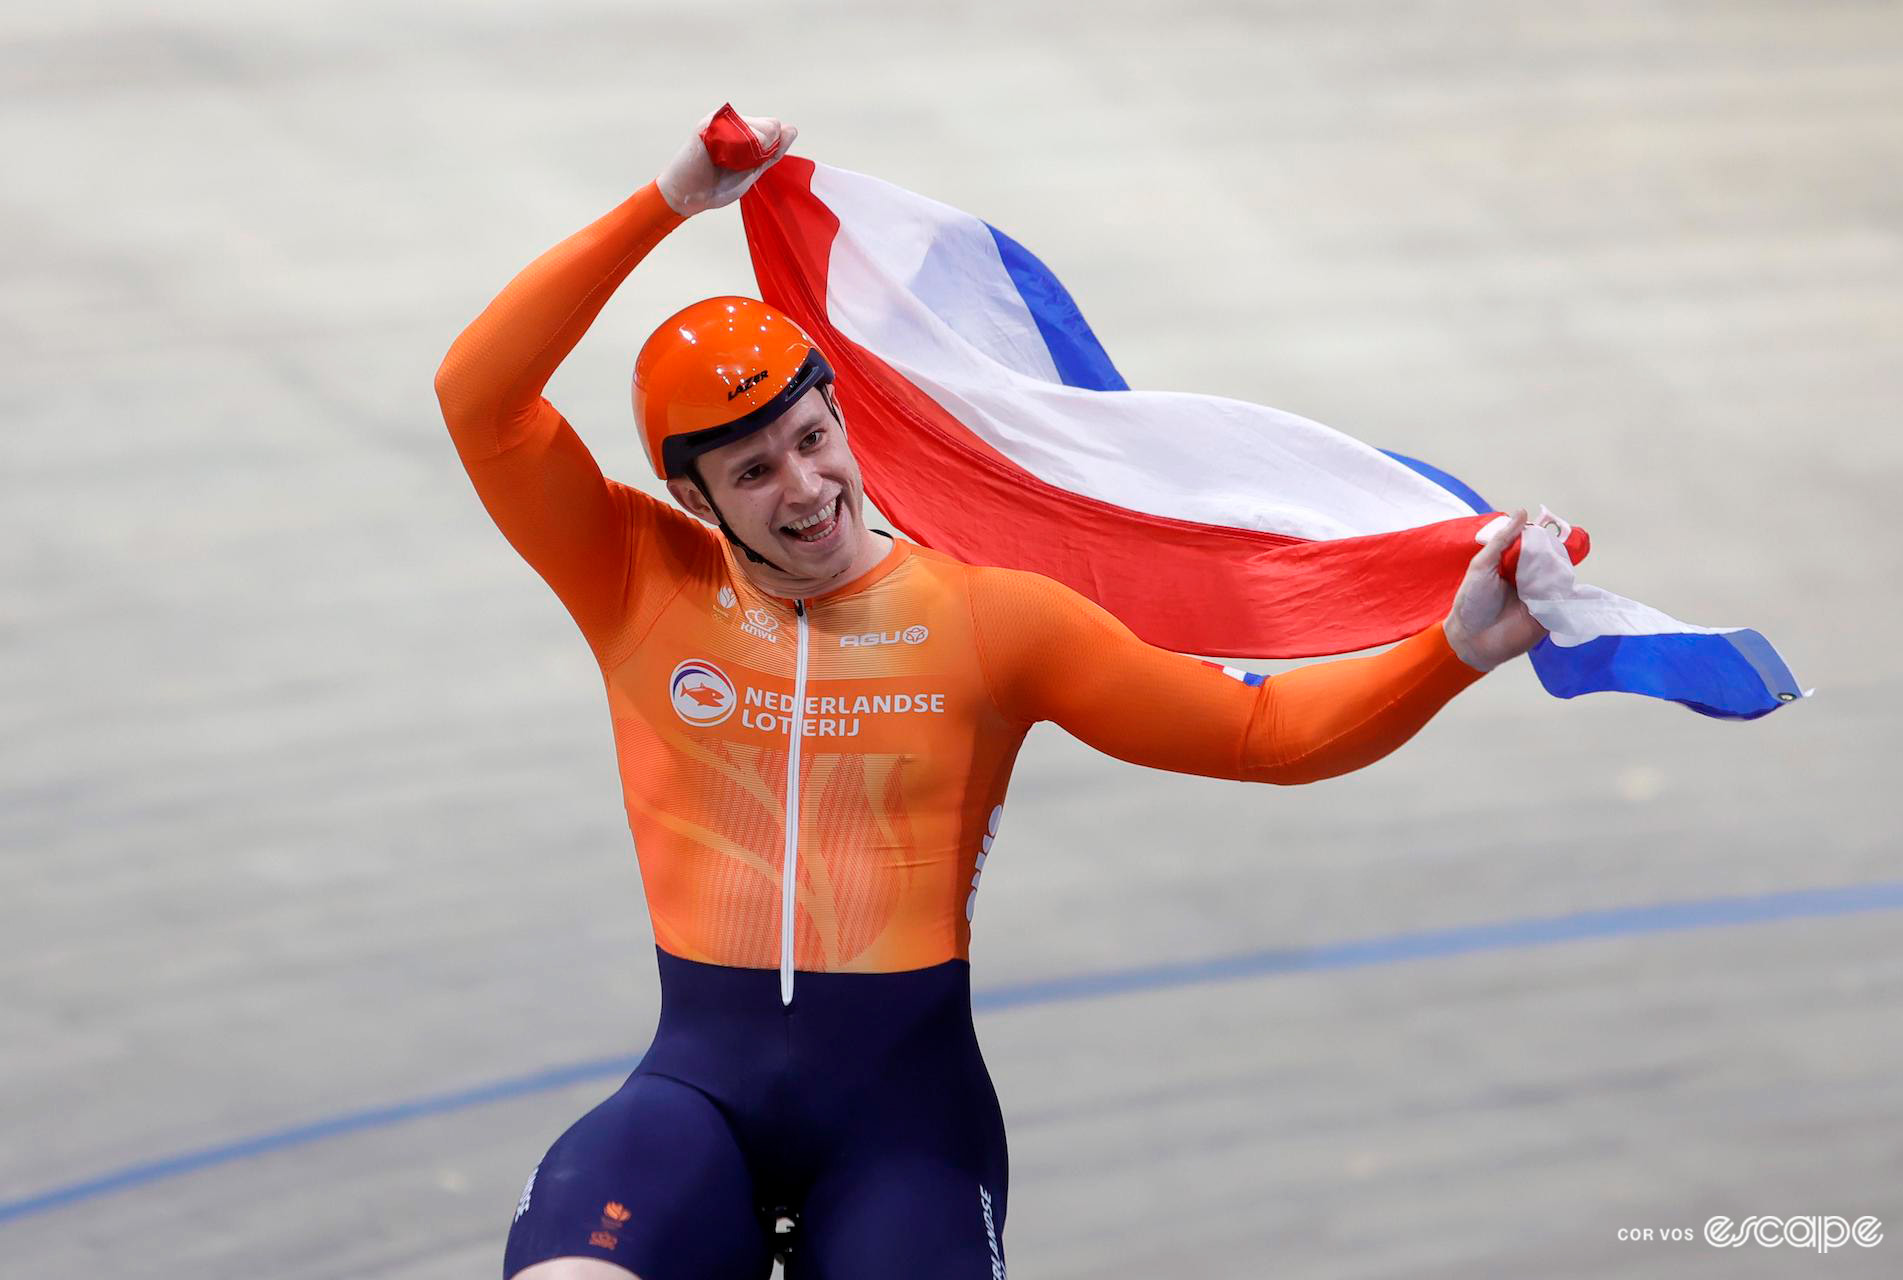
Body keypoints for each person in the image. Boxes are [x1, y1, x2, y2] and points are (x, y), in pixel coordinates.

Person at [434, 109, 1545, 1280]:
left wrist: (1458, 644)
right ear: (698, 499)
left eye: (814, 437)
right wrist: (671, 200)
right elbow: (478, 396)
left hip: (903, 1129)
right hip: (692, 1099)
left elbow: (1264, 731)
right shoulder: (631, 573)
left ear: (842, 416)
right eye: (755, 470)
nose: (807, 487)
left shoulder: (991, 621)